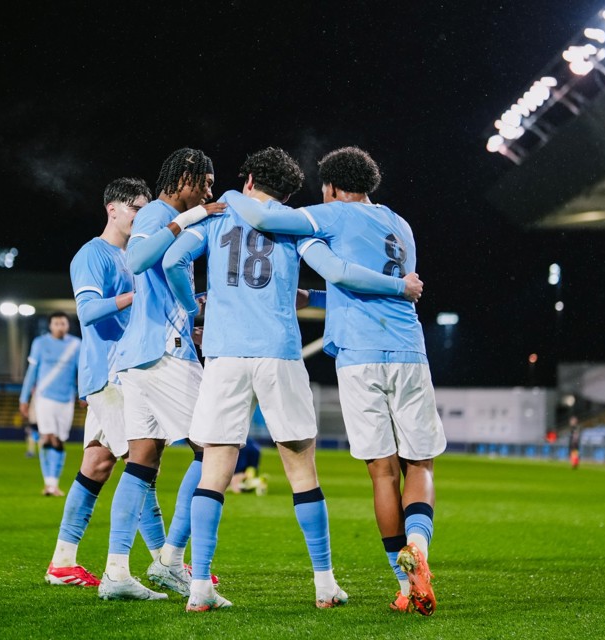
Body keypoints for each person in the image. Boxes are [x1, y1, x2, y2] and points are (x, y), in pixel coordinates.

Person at [164, 146, 421, 611]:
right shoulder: (295, 223)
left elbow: (171, 262)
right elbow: (335, 273)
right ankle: (324, 584)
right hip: (279, 353)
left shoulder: (217, 217)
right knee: (302, 471)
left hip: (224, 354)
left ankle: (199, 586)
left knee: (215, 468)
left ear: (247, 181)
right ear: (287, 192)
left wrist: (192, 307)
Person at [226, 146, 444, 615]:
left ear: (330, 187)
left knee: (382, 473)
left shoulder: (330, 214)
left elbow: (264, 218)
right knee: (421, 465)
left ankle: (405, 583)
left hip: (358, 356)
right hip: (409, 350)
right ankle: (419, 547)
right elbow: (375, 277)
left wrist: (229, 195)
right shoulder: (401, 224)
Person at [99, 148, 227, 601]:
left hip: (141, 357)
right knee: (215, 448)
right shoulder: (159, 212)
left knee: (141, 461)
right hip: (163, 355)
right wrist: (189, 218)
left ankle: (116, 572)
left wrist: (193, 310)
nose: (209, 191)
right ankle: (171, 559)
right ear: (185, 177)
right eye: (205, 182)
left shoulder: (168, 216)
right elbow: (137, 260)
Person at [46, 177, 170, 587]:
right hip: (109, 376)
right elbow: (87, 311)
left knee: (98, 464)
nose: (141, 216)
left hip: (124, 372)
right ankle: (165, 561)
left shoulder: (134, 255)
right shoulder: (92, 254)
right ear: (112, 209)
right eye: (135, 208)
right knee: (142, 463)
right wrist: (135, 297)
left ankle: (62, 562)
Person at [20, 312, 81, 496]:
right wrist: (24, 398)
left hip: (66, 399)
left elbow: (81, 371)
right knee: (47, 437)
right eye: (56, 323)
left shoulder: (76, 344)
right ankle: (50, 484)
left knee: (59, 440)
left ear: (68, 326)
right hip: (44, 397)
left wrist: (84, 394)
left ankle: (54, 482)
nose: (60, 327)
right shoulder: (40, 343)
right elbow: (32, 371)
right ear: (50, 325)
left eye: (63, 323)